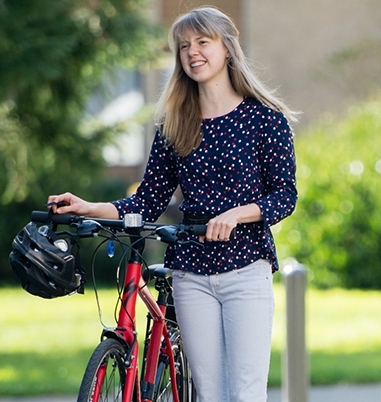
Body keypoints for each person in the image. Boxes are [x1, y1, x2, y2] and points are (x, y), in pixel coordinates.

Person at [48, 6, 297, 401]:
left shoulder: (264, 119)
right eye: (184, 46)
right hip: (191, 274)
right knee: (211, 393)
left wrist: (235, 214)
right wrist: (88, 207)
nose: (192, 52)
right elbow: (146, 202)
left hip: (246, 269)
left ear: (227, 49)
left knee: (246, 393)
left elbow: (285, 196)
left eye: (202, 42)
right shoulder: (175, 122)